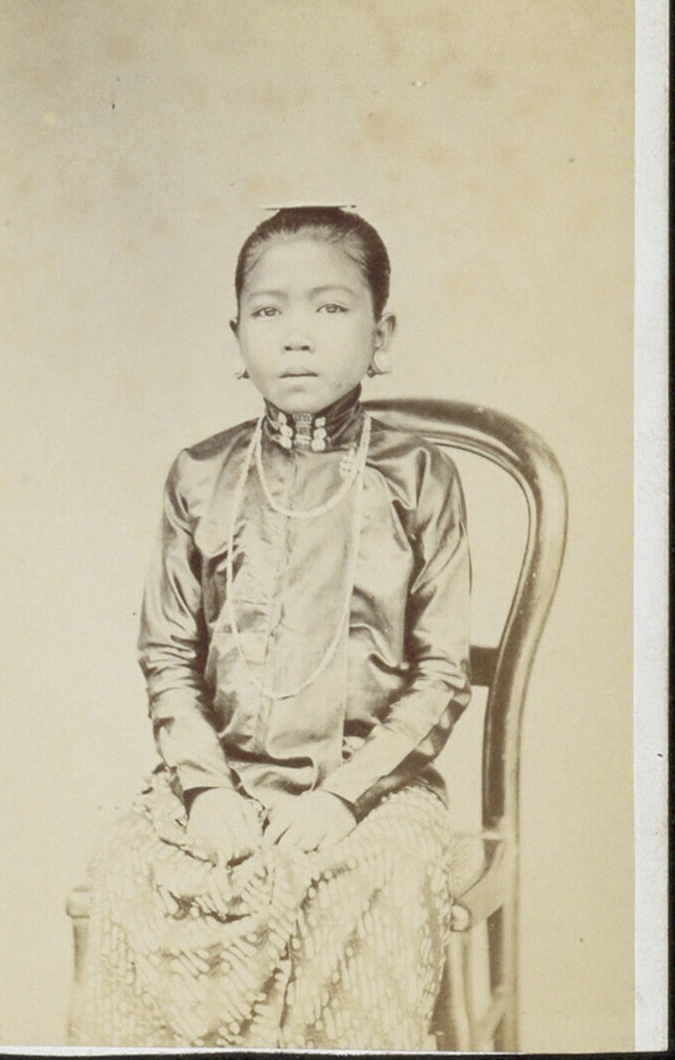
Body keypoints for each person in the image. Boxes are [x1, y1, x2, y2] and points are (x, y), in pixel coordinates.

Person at [69, 206, 472, 1049]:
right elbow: (168, 655)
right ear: (237, 336)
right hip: (223, 780)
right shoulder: (199, 474)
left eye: (330, 307)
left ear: (381, 335)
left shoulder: (420, 476)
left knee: (374, 879)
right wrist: (207, 789)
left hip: (373, 789)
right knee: (128, 868)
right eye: (268, 310)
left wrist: (341, 795)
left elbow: (440, 672)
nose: (296, 335)